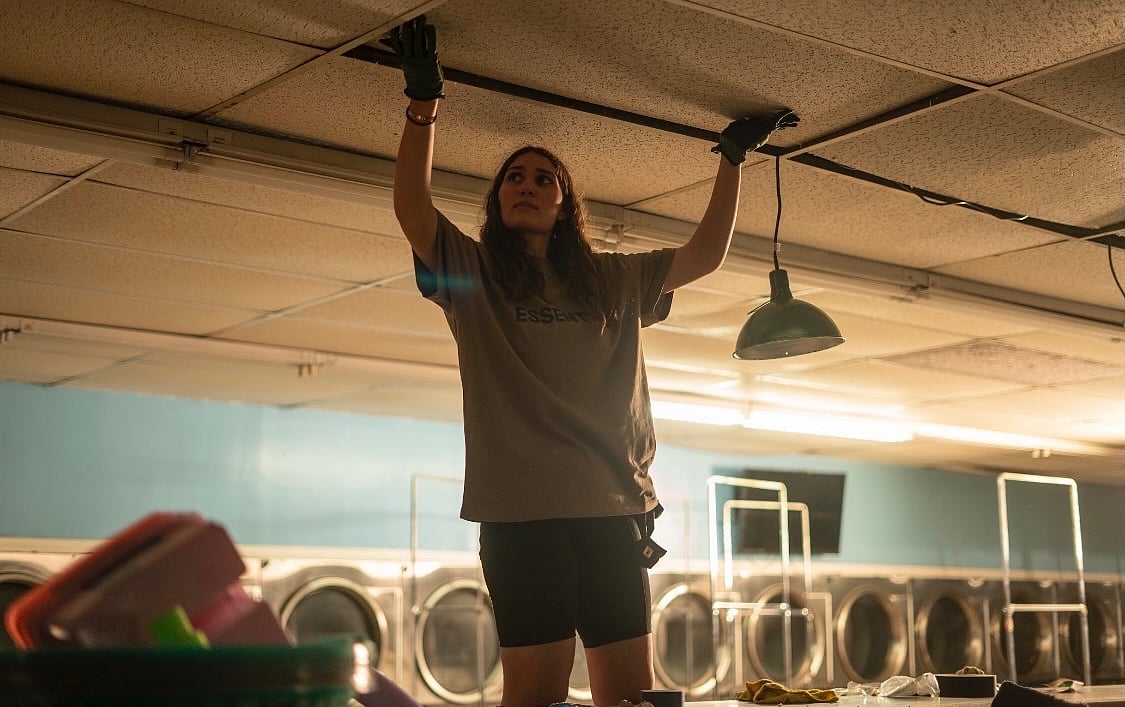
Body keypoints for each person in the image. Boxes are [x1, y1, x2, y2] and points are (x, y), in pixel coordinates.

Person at [385, 15, 798, 707]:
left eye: (543, 178)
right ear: (497, 199)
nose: (526, 183)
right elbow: (412, 208)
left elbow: (703, 255)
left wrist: (730, 159)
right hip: (521, 519)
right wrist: (423, 103)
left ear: (563, 202)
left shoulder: (612, 279)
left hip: (613, 511)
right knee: (536, 696)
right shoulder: (473, 273)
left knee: (629, 698)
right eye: (513, 176)